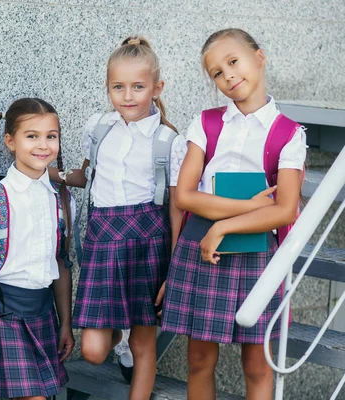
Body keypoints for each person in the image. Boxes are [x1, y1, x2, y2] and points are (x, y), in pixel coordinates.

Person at [161, 28, 307, 399]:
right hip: (201, 247)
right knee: (198, 359)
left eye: (233, 61)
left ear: (259, 57)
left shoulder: (288, 134)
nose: (226, 74)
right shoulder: (206, 124)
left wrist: (224, 225)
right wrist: (247, 208)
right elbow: (187, 197)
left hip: (257, 252)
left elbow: (285, 209)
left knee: (258, 365)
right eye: (215, 72)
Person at [50, 36, 187, 399]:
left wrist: (174, 265)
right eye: (118, 87)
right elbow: (87, 175)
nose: (127, 96)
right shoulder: (99, 128)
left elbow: (177, 206)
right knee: (93, 351)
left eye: (138, 87)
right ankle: (119, 338)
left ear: (157, 88)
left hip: (148, 244)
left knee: (144, 347)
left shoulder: (167, 140)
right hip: (104, 241)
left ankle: (132, 353)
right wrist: (51, 174)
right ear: (108, 87)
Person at [0, 98, 75, 400]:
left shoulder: (62, 201)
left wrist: (66, 323)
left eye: (51, 136)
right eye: (32, 136)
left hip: (43, 314)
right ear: (10, 141)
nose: (43, 145)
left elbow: (61, 265)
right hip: (4, 316)